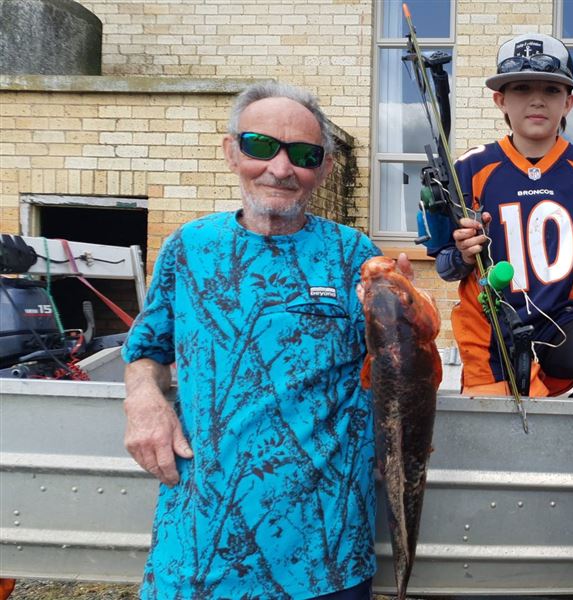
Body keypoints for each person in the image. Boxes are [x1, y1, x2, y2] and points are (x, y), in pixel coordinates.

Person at [122, 82, 398, 599]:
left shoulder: (353, 253)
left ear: (324, 169)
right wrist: (143, 398)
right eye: (260, 145)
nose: (281, 167)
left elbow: (398, 363)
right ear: (231, 152)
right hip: (201, 546)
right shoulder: (189, 248)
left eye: (304, 154)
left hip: (326, 554)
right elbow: (147, 349)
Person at [431, 33, 573, 401]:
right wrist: (463, 255)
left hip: (564, 322)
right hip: (492, 327)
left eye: (551, 90)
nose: (537, 100)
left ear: (569, 102)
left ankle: (568, 433)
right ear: (500, 100)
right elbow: (445, 268)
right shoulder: (469, 167)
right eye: (522, 88)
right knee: (502, 439)